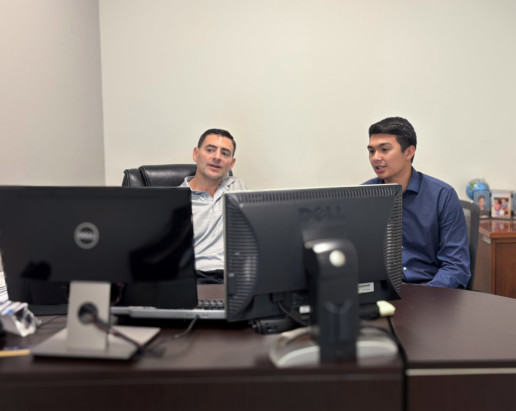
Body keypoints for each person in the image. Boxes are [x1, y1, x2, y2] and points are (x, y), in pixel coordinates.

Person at [364, 117, 470, 288]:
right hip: (381, 291)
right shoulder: (364, 196)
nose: (376, 157)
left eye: (384, 149)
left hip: (430, 290)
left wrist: (427, 297)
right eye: (371, 151)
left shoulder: (442, 196)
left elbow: (456, 267)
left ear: (409, 152)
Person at [180, 129, 247, 283]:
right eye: (210, 150)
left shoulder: (238, 186)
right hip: (197, 278)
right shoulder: (175, 201)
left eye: (225, 153)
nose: (217, 157)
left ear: (231, 164)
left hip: (237, 278)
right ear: (196, 154)